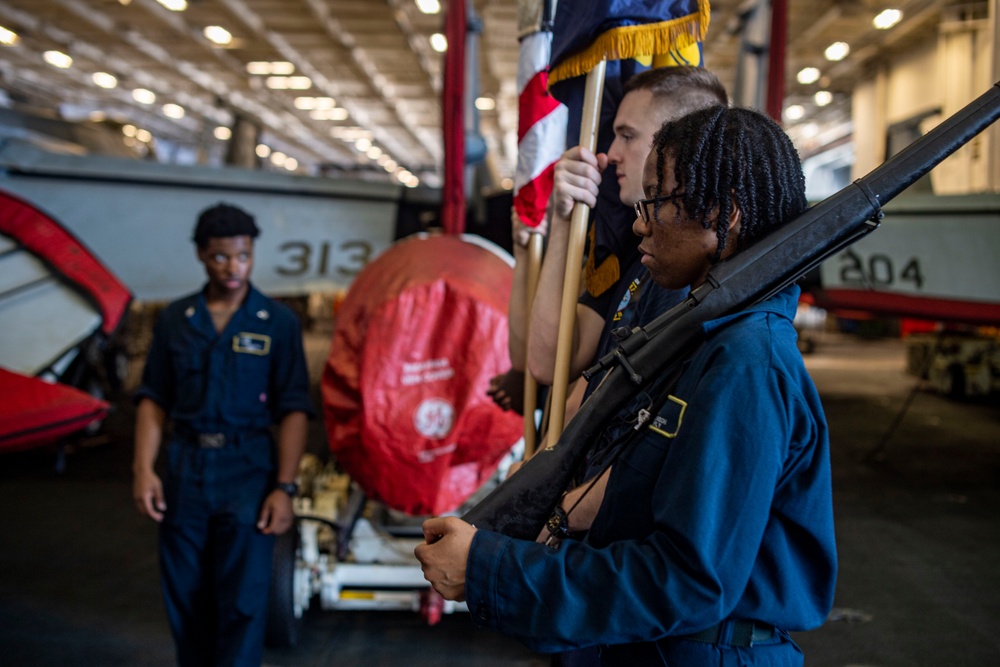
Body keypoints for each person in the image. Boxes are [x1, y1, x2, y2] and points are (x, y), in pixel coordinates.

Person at [415, 106, 838, 666]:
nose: (639, 223)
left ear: (725, 214)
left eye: (656, 204)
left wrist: (490, 568)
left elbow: (685, 580)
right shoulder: (703, 336)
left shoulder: (746, 361)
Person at [132, 203, 314, 667]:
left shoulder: (277, 323)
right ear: (200, 255)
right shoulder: (176, 319)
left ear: (252, 255)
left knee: (242, 600)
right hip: (185, 469)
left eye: (243, 256)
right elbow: (153, 398)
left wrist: (285, 487)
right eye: (220, 257)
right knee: (186, 598)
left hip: (248, 471)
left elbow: (294, 410)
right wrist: (142, 469)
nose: (233, 268)